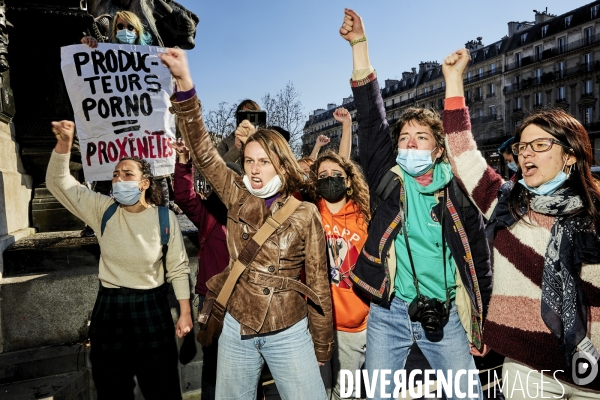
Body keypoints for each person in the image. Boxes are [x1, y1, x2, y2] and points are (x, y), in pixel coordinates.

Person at [159, 48, 334, 399]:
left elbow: (318, 286)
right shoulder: (236, 195)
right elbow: (204, 152)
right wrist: (184, 83)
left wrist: (322, 344)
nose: (254, 169)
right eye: (249, 160)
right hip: (236, 325)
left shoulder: (305, 214)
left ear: (282, 165)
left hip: (288, 329)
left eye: (264, 161)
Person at [339, 9, 492, 400]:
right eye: (404, 136)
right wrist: (360, 46)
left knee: (468, 394)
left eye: (421, 136)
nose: (409, 142)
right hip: (389, 312)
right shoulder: (389, 181)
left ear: (439, 149)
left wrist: (481, 323)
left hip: (444, 315)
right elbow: (372, 120)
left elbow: (479, 261)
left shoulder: (459, 191)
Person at [442, 47, 600, 397]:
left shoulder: (597, 210)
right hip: (526, 365)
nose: (526, 152)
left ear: (571, 154)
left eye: (540, 144)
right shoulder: (506, 202)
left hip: (592, 369)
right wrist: (454, 81)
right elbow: (463, 154)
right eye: (523, 146)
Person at [46, 121, 193, 400]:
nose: (118, 179)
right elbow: (58, 183)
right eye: (115, 175)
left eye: (127, 173)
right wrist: (64, 144)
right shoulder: (102, 209)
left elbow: (177, 267)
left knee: (162, 389)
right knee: (111, 390)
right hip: (110, 310)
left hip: (152, 309)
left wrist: (185, 312)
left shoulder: (164, 218)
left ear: (144, 183)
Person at [310, 107, 370, 400]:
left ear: (348, 180)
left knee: (344, 395)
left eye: (336, 175)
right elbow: (333, 164)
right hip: (317, 326)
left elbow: (342, 163)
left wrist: (347, 126)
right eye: (323, 175)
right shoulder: (312, 211)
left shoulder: (363, 215)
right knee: (318, 393)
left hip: (353, 327)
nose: (330, 178)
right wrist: (320, 149)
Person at [171, 138, 229, 400]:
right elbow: (184, 196)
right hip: (212, 300)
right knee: (213, 364)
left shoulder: (256, 217)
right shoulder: (209, 216)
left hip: (247, 301)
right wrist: (184, 161)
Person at [217, 99, 261, 163]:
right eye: (244, 115)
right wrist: (236, 148)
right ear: (238, 118)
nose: (248, 120)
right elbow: (218, 169)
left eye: (252, 116)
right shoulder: (225, 144)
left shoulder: (268, 140)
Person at [81, 10, 152, 48]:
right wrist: (86, 42)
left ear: (137, 31)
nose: (125, 30)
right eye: (120, 26)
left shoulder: (151, 54)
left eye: (130, 27)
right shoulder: (106, 51)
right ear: (116, 30)